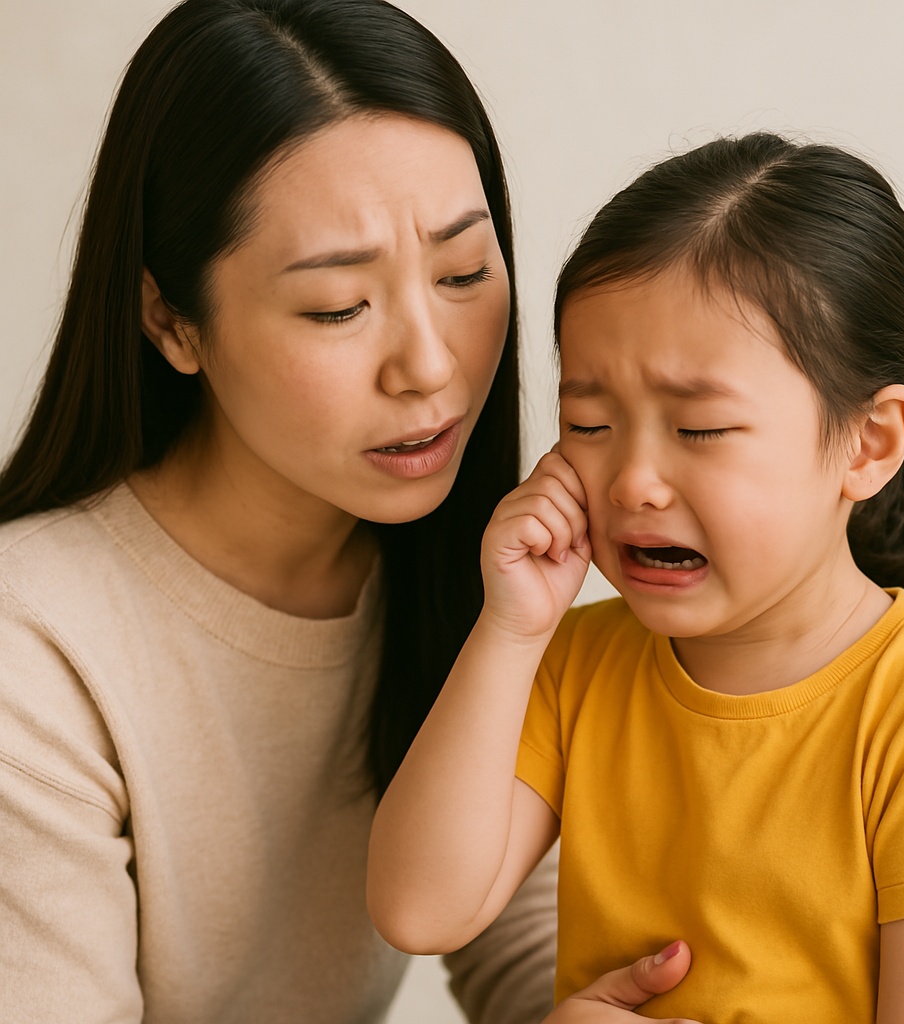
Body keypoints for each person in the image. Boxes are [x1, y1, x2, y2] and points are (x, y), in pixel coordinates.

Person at [0, 1, 695, 1021]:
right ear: (171, 318)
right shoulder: (35, 651)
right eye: (338, 307)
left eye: (464, 273)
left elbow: (527, 940)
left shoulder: (478, 575)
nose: (431, 364)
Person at [368, 132, 904, 1022]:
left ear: (868, 444)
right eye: (591, 425)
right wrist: (511, 628)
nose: (633, 481)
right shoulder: (575, 665)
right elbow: (420, 908)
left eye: (700, 429)